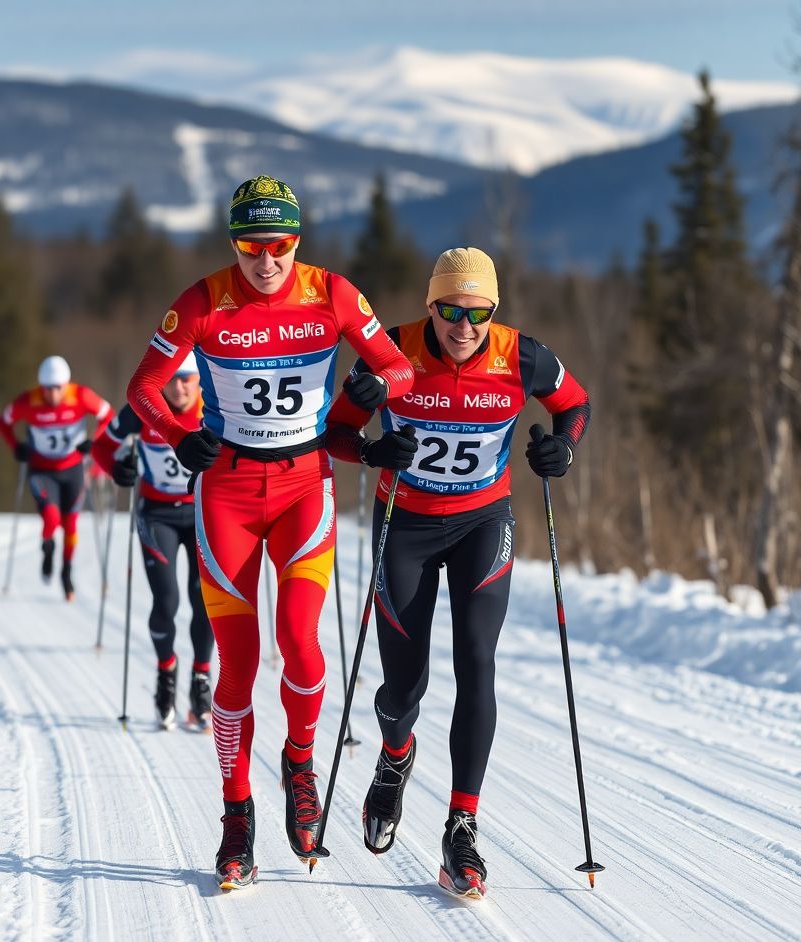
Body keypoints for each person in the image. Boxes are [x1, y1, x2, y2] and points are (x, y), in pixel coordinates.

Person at [126, 174, 414, 889]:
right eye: (252, 247)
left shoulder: (332, 294)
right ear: (234, 243)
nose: (266, 263)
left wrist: (381, 388)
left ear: (298, 242)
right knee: (238, 668)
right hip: (224, 492)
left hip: (303, 489)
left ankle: (300, 760)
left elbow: (402, 367)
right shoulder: (203, 301)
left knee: (301, 645)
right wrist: (177, 435)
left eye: (280, 246)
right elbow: (142, 390)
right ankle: (236, 817)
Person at [325, 247, 591, 899]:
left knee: (477, 659)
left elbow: (576, 405)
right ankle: (394, 759)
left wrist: (564, 449)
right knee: (403, 689)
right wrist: (370, 451)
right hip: (406, 526)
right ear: (430, 307)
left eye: (478, 312)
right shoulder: (391, 351)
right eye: (450, 311)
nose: (464, 326)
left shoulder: (523, 357)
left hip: (482, 523)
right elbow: (335, 431)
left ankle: (462, 828)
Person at [93, 354, 215, 731]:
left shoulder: (215, 408)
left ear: (199, 382)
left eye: (186, 381)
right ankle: (166, 675)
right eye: (172, 380)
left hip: (201, 516)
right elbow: (100, 447)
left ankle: (200, 681)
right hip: (156, 514)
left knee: (205, 600)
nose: (177, 388)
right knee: (167, 600)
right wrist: (118, 468)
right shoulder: (144, 409)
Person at [0, 356, 113, 601]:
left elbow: (108, 414)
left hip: (73, 470)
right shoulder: (28, 401)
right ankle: (48, 547)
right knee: (51, 518)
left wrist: (94, 442)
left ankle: (66, 571)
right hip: (42, 470)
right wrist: (16, 446)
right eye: (47, 388)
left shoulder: (80, 396)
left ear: (66, 384)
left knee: (71, 525)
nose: (52, 394)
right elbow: (3, 422)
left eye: (57, 388)